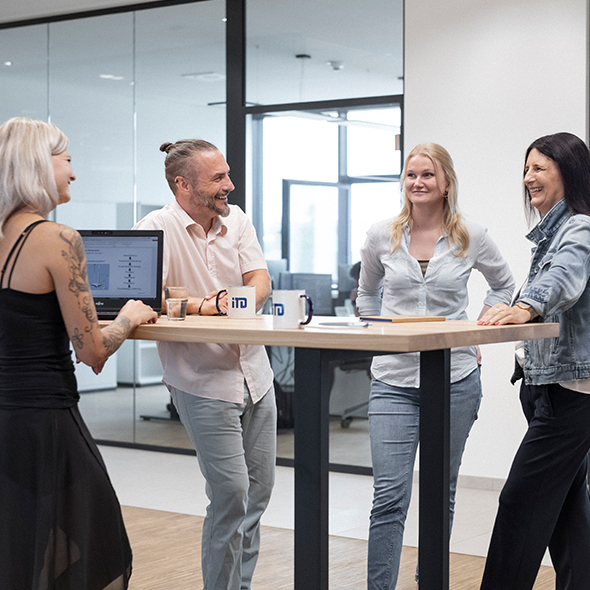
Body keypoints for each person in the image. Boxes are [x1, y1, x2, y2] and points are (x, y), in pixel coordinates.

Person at [0, 117, 158, 590]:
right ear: (37, 166)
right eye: (67, 160)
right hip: (47, 421)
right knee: (103, 546)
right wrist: (129, 317)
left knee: (20, 549)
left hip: (5, 420)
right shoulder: (57, 238)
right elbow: (91, 351)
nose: (73, 172)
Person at [357, 142, 515, 589]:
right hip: (392, 379)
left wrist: (479, 329)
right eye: (411, 175)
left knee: (439, 493)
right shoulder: (380, 235)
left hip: (455, 378)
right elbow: (366, 294)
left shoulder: (472, 235)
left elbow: (504, 285)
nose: (418, 183)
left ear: (446, 183)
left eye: (427, 175)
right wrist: (377, 333)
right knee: (388, 494)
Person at [134, 139, 276, 590]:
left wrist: (232, 304)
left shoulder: (237, 222)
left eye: (227, 175)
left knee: (257, 495)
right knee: (231, 495)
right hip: (202, 381)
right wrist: (203, 305)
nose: (229, 185)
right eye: (218, 178)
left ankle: (240, 586)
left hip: (256, 376)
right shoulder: (155, 227)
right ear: (182, 183)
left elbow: (259, 278)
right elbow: (143, 296)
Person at [477, 132, 590, 590]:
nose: (529, 178)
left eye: (540, 168)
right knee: (566, 514)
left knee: (520, 503)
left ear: (570, 171)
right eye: (526, 169)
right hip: (544, 386)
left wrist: (527, 306)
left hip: (570, 392)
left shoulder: (579, 227)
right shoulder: (548, 233)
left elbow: (566, 277)